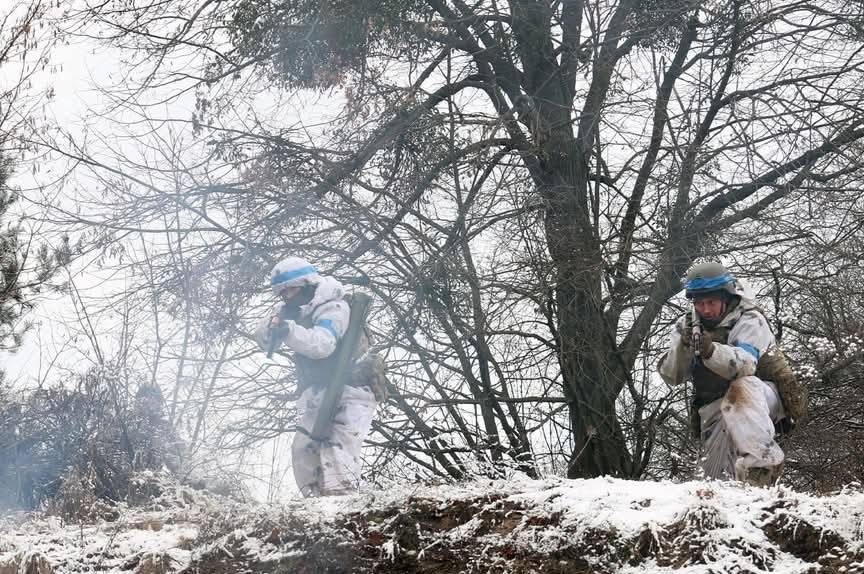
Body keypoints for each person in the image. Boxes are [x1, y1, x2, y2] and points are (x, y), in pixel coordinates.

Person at [254, 256, 385, 497]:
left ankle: (344, 509)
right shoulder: (294, 309)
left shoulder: (334, 307)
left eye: (290, 290)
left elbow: (323, 344)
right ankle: (315, 509)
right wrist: (275, 326)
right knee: (304, 449)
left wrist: (290, 331)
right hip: (320, 390)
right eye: (282, 292)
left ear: (307, 284)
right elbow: (263, 337)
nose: (286, 296)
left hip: (353, 390)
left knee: (337, 450)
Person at [658, 262, 789, 487]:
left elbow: (746, 365)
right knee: (714, 483)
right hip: (715, 405)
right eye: (699, 303)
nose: (706, 309)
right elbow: (672, 376)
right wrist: (683, 346)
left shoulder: (749, 318)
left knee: (742, 388)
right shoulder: (686, 324)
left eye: (711, 302)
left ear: (725, 297)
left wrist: (711, 350)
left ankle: (763, 467)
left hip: (764, 397)